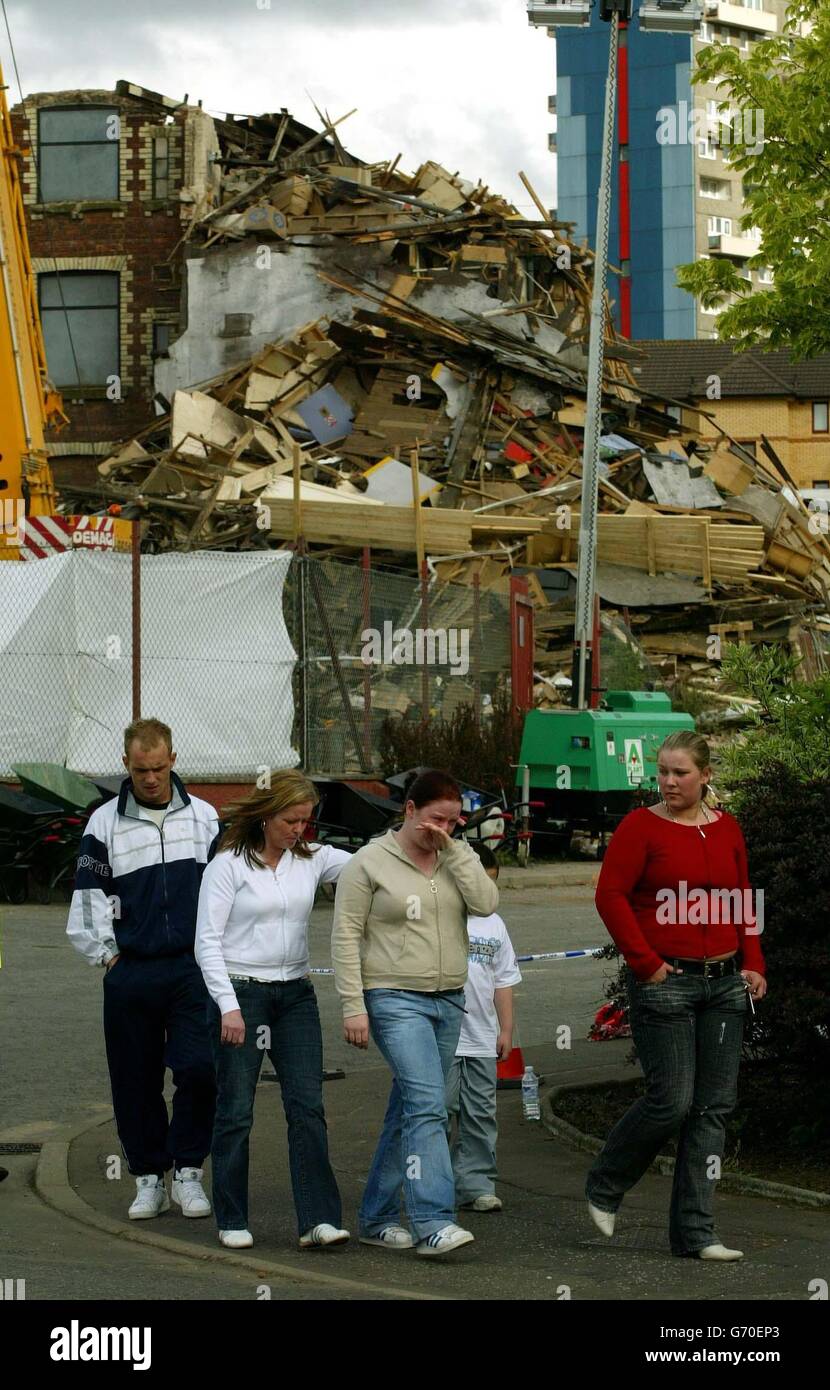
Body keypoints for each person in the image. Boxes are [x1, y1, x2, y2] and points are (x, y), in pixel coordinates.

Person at [586, 730, 767, 1260]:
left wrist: (753, 962)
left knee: (712, 1109)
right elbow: (610, 896)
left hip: (726, 983)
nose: (667, 781)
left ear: (705, 775)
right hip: (667, 984)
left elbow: (740, 898)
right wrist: (647, 965)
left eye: (680, 772)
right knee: (672, 1101)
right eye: (662, 771)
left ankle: (695, 1233)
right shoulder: (640, 826)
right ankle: (606, 1182)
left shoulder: (727, 829)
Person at [333, 769, 499, 1257]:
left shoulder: (453, 856)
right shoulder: (368, 862)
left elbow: (486, 903)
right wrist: (353, 1007)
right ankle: (433, 1220)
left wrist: (456, 851)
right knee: (429, 1104)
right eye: (434, 819)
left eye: (453, 821)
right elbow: (344, 936)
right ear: (409, 810)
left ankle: (377, 1216)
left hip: (449, 996)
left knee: (410, 1107)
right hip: (392, 996)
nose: (443, 829)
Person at [67, 718, 220, 1221]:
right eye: (139, 770)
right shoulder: (102, 823)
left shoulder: (205, 818)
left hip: (193, 970)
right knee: (135, 1080)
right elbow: (88, 901)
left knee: (199, 1069)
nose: (150, 779)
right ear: (125, 764)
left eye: (157, 768)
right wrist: (110, 958)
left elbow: (228, 893)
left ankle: (190, 1171)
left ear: (174, 760)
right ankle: (149, 1178)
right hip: (131, 971)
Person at [195, 771, 352, 1251]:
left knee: (307, 1106)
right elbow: (206, 942)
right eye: (290, 820)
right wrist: (228, 1006)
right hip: (242, 993)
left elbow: (374, 866)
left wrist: (420, 833)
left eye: (306, 821)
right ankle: (232, 1216)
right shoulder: (227, 866)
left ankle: (319, 1220)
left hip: (296, 994)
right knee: (237, 1109)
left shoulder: (313, 859)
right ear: (266, 816)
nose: (299, 830)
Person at [445, 843, 521, 1214]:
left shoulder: (495, 924)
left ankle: (476, 1185)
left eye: (491, 885)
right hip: (442, 1037)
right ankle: (434, 1184)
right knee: (439, 1110)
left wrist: (505, 1030)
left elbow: (503, 979)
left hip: (480, 1038)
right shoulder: (442, 914)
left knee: (479, 1114)